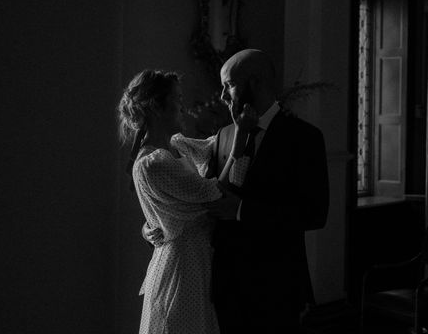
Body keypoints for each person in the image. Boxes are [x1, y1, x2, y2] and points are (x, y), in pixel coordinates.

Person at [117, 69, 257, 334]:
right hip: (183, 269)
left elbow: (213, 147)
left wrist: (238, 125)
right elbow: (215, 191)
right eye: (177, 99)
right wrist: (239, 138)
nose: (183, 106)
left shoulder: (177, 146)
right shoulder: (154, 164)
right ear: (157, 108)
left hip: (199, 260)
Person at [205, 48, 330, 334]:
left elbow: (314, 214)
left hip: (277, 286)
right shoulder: (224, 135)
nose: (223, 96)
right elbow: (208, 197)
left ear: (255, 82)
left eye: (229, 85)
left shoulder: (304, 138)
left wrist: (241, 211)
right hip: (227, 286)